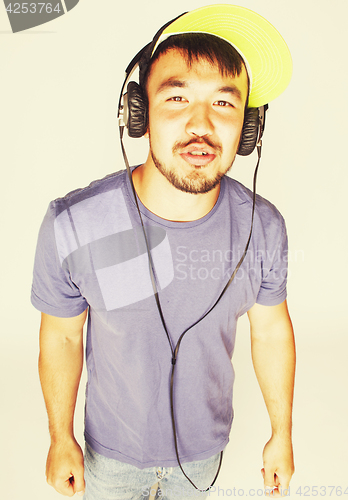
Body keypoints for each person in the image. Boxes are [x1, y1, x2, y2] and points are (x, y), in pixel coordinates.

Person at [31, 5, 295, 499]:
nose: (201, 124)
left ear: (249, 128)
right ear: (140, 113)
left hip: (204, 452)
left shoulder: (264, 226)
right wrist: (59, 437)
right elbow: (63, 339)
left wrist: (282, 434)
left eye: (223, 103)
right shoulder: (74, 223)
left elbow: (271, 331)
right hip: (108, 455)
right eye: (177, 97)